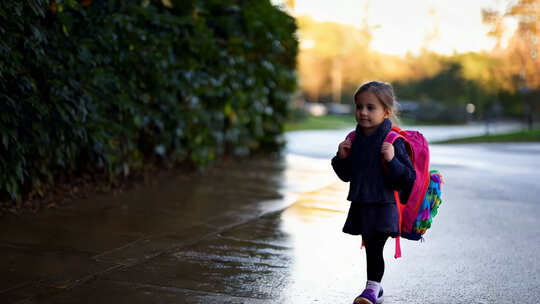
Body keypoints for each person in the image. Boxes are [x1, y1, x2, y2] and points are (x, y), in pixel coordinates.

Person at [331, 81, 416, 304]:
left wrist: (391, 160)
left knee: (374, 248)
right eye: (359, 106)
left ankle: (371, 289)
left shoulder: (392, 142)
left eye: (371, 107)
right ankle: (375, 288)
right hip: (362, 204)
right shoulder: (353, 139)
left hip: (384, 205)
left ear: (386, 112)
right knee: (371, 248)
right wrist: (341, 158)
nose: (363, 112)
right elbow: (346, 175)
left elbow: (406, 178)